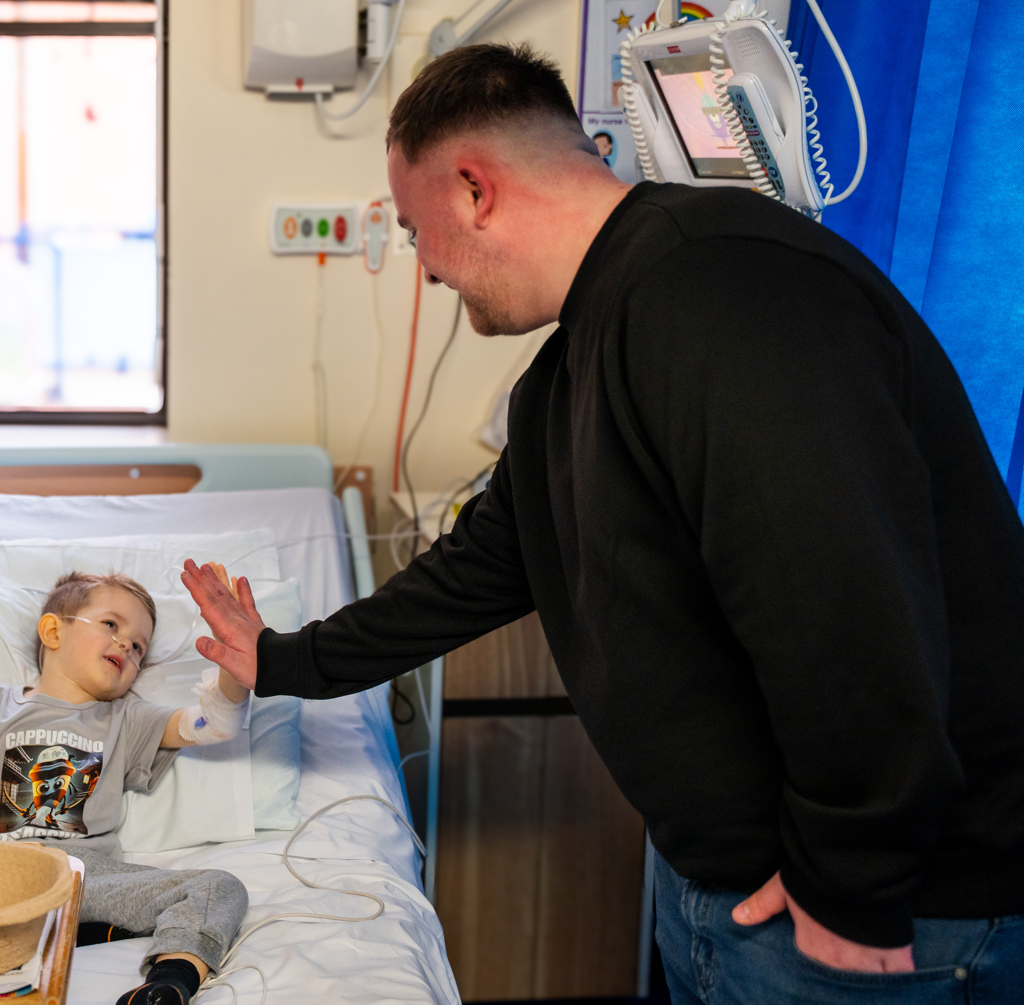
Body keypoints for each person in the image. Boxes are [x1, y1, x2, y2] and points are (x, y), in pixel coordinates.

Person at [180, 42, 1024, 1004]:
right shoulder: (573, 364)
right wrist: (286, 660)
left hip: (868, 913)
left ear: (472, 188)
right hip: (734, 885)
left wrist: (853, 877)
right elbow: (481, 566)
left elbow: (846, 596)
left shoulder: (722, 289)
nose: (426, 272)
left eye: (415, 232)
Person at [0, 570, 250, 1005]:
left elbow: (214, 723)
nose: (127, 645)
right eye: (111, 625)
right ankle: (81, 933)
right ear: (53, 631)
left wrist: (235, 656)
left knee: (219, 888)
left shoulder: (127, 719)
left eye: (140, 648)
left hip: (81, 876)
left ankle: (169, 984)